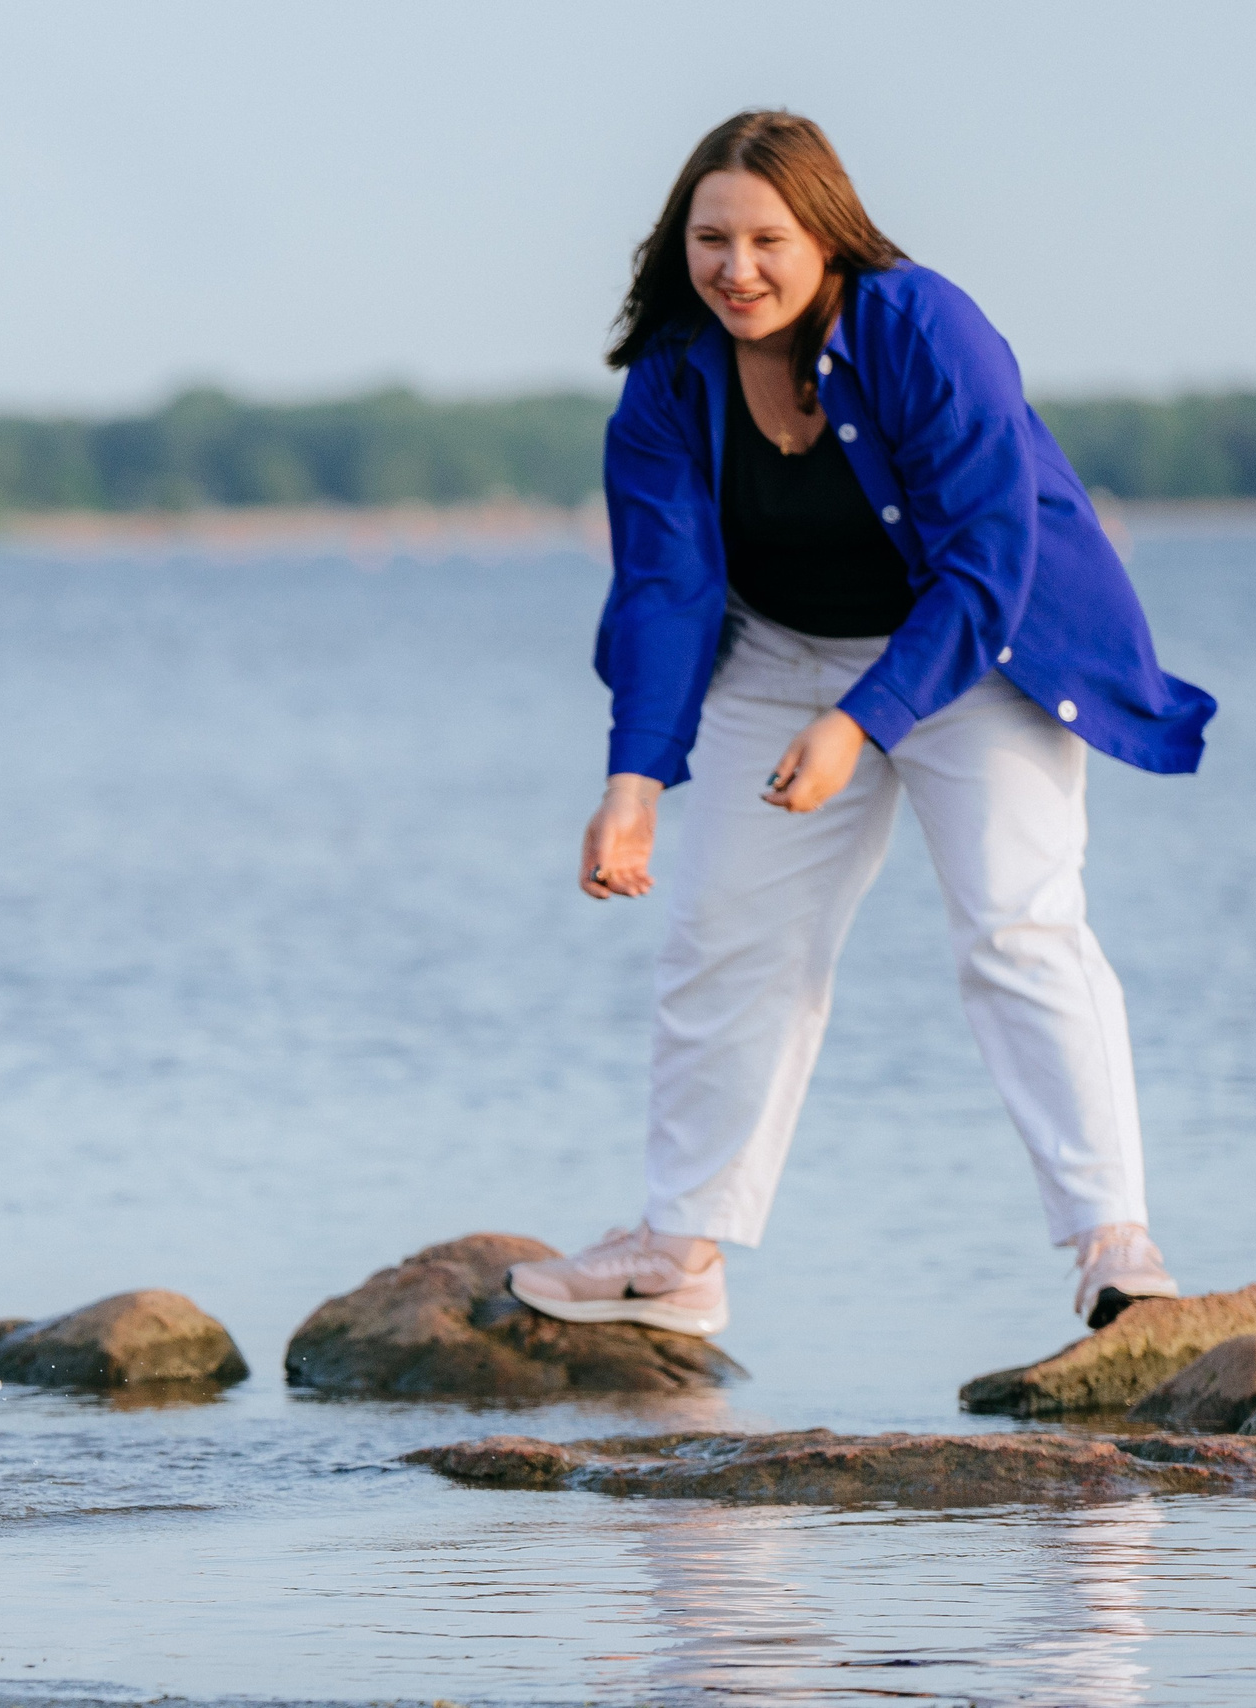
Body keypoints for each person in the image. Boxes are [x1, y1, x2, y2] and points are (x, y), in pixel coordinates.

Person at [506, 110, 1214, 1337]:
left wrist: (862, 720)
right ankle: (678, 1256)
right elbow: (664, 586)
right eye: (710, 238)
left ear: (825, 233)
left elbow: (993, 555)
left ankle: (1115, 1244)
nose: (737, 268)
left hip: (976, 647)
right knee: (724, 935)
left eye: (766, 238)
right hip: (779, 653)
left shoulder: (923, 326)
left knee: (1017, 923)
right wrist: (632, 779)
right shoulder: (672, 376)